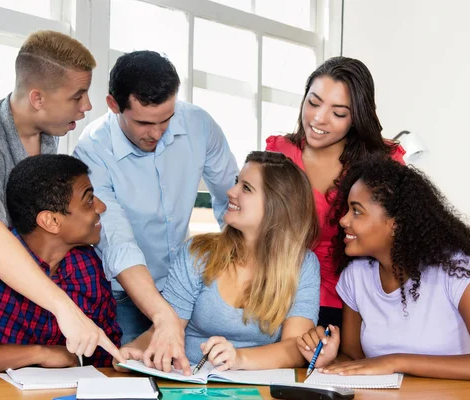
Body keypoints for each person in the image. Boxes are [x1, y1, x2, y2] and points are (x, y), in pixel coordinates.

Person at [0, 30, 124, 363]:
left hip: (22, 299)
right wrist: (65, 309)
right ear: (37, 98)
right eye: (77, 95)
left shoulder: (48, 136)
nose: (87, 106)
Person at [73, 50, 238, 372]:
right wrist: (163, 316)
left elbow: (230, 200)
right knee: (129, 376)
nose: (157, 132)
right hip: (123, 294)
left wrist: (240, 270)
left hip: (185, 285)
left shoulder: (199, 124)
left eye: (166, 119)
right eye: (144, 122)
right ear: (113, 105)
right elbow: (116, 239)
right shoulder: (92, 149)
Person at [296, 157, 470, 386]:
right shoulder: (356, 276)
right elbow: (354, 359)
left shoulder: (454, 271)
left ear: (396, 223)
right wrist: (329, 360)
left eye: (356, 211)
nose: (343, 220)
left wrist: (396, 362)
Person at [114, 151, 320, 372]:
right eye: (236, 183)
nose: (231, 192)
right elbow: (164, 330)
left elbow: (296, 348)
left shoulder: (303, 264)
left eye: (246, 188)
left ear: (278, 205)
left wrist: (238, 358)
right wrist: (131, 354)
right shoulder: (197, 252)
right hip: (191, 384)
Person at [0, 154, 122, 377]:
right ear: (51, 221)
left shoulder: (87, 265)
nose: (101, 207)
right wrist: (40, 354)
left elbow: (104, 352)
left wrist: (129, 357)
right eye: (89, 200)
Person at [266, 56, 405, 330]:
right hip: (284, 296)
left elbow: (396, 240)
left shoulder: (384, 161)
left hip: (356, 302)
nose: (319, 119)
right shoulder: (278, 153)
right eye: (313, 103)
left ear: (356, 118)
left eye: (338, 113)